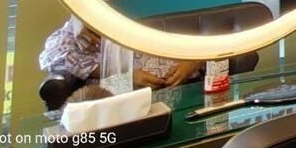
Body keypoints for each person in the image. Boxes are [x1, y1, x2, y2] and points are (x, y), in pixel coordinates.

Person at [39, 15, 203, 92]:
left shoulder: (176, 7)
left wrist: (194, 61)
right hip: (119, 96)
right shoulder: (88, 20)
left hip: (186, 87)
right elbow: (54, 56)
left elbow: (213, 42)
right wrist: (125, 76)